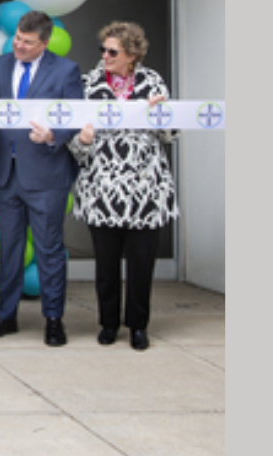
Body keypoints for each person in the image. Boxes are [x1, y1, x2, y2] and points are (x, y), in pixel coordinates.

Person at [69, 21, 178, 351]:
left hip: (146, 190)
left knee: (142, 264)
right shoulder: (88, 84)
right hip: (103, 189)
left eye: (112, 51)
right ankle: (108, 323)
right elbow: (74, 142)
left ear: (132, 55)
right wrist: (82, 140)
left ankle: (138, 325)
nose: (105, 56)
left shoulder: (152, 81)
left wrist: (163, 117)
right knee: (106, 263)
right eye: (103, 49)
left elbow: (171, 136)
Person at [0, 11, 84, 347]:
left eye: (27, 42)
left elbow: (76, 115)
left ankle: (53, 319)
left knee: (49, 248)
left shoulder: (65, 70)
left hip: (46, 174)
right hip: (4, 174)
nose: (19, 46)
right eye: (17, 39)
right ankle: (5, 315)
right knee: (9, 248)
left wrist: (54, 135)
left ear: (44, 42)